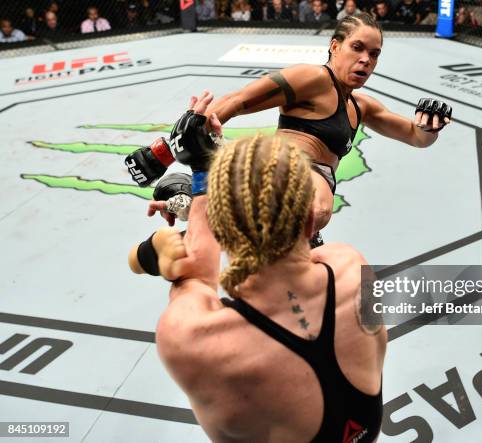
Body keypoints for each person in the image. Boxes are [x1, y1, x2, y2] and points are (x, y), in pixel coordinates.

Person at [130, 91, 387, 442]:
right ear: (312, 221)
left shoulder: (191, 338)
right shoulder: (351, 266)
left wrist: (204, 174)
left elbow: (196, 274)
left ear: (223, 232)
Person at [127, 14, 452, 246]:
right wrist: (164, 152)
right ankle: (207, 186)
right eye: (358, 47)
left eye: (374, 54)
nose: (366, 60)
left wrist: (429, 126)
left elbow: (415, 136)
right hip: (284, 171)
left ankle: (201, 197)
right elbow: (238, 100)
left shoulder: (361, 106)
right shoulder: (312, 79)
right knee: (317, 208)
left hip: (304, 201)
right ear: (335, 46)